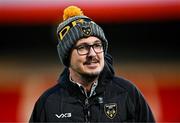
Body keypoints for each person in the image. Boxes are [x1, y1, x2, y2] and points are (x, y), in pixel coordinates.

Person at [29, 6, 155, 122]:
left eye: (97, 45)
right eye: (83, 47)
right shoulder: (48, 103)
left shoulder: (127, 93)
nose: (92, 54)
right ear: (67, 57)